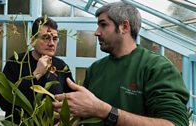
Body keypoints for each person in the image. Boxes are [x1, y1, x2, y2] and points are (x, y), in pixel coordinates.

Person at [53, 2, 190, 126]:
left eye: (103, 24)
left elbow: (173, 123)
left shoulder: (157, 67)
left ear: (124, 27)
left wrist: (106, 112)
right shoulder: (95, 69)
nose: (96, 32)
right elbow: (84, 114)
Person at [0, 16, 74, 124]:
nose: (52, 43)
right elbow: (4, 103)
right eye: (46, 38)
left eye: (55, 39)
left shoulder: (60, 66)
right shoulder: (16, 62)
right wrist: (37, 74)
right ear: (33, 40)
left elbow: (73, 101)